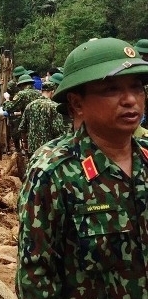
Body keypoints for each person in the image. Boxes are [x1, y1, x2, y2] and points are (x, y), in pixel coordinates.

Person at [16, 37, 148, 298]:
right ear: (77, 104)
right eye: (111, 89)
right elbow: (35, 277)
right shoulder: (53, 172)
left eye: (137, 87)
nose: (130, 99)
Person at [18, 81, 65, 158]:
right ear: (52, 91)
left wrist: (25, 142)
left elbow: (22, 128)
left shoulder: (30, 105)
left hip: (33, 150)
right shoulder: (55, 107)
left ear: (41, 91)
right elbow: (58, 130)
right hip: (49, 150)